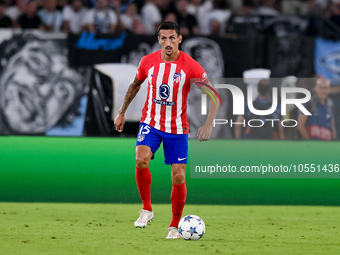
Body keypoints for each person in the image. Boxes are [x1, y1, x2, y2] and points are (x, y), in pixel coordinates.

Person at [114, 21, 219, 239]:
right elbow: (135, 85)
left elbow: (214, 96)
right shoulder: (148, 62)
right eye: (164, 38)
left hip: (177, 128)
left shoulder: (191, 66)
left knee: (178, 176)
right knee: (140, 158)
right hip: (151, 123)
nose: (168, 43)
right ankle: (146, 209)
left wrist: (208, 124)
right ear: (159, 39)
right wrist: (122, 111)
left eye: (172, 38)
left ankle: (174, 225)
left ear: (180, 39)